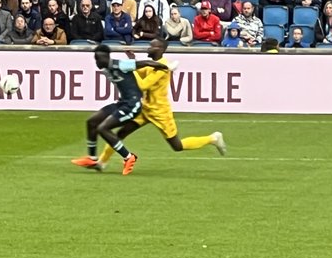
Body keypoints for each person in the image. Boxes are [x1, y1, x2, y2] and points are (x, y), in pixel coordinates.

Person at [95, 37, 227, 170]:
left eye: (152, 46)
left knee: (177, 146)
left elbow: (142, 85)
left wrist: (128, 68)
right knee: (120, 133)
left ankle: (212, 138)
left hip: (160, 111)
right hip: (145, 108)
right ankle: (101, 162)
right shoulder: (153, 63)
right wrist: (132, 61)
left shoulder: (162, 68)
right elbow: (139, 72)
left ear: (160, 49)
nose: (148, 48)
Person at [70, 44, 170, 172]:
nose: (96, 62)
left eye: (98, 59)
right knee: (92, 122)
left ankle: (128, 157)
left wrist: (166, 67)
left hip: (133, 105)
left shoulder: (120, 64)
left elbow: (145, 63)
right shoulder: (106, 68)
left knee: (103, 128)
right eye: (95, 59)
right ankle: (92, 158)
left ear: (106, 57)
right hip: (122, 103)